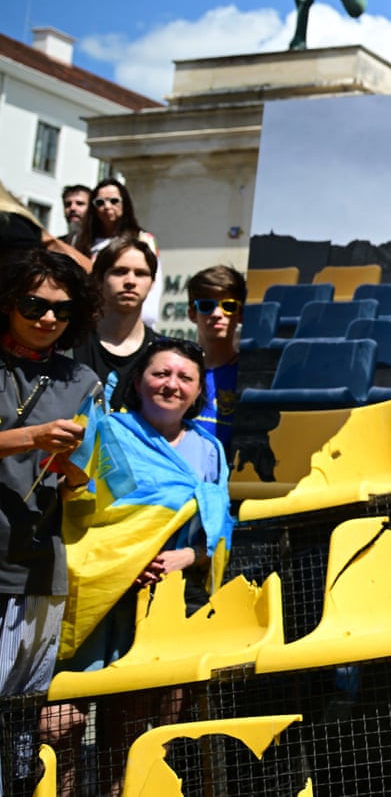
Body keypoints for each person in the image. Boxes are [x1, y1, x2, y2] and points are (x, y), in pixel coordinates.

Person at [51, 337, 230, 797]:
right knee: (68, 726)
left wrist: (186, 557)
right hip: (101, 598)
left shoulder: (209, 450)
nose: (171, 385)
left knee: (145, 733)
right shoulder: (107, 432)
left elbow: (220, 525)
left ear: (197, 394)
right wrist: (124, 560)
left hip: (168, 605)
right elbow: (81, 507)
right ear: (138, 380)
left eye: (184, 378)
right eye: (160, 373)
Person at [0, 250, 97, 793]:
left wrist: (76, 473)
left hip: (39, 569)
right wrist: (30, 438)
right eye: (34, 303)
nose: (47, 318)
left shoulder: (81, 379)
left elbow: (93, 485)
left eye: (61, 309)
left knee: (18, 724)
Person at [73, 239, 157, 387]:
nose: (130, 281)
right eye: (119, 272)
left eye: (140, 273)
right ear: (99, 279)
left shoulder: (161, 352)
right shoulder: (70, 345)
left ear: (152, 283)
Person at [77, 181, 159, 330]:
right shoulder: (81, 242)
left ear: (125, 204)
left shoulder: (144, 239)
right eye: (100, 202)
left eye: (114, 201)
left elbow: (153, 282)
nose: (107, 206)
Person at [185, 266, 247, 458]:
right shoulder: (174, 373)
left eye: (228, 306)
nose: (217, 313)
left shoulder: (247, 375)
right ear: (192, 314)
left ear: (240, 315)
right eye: (206, 305)